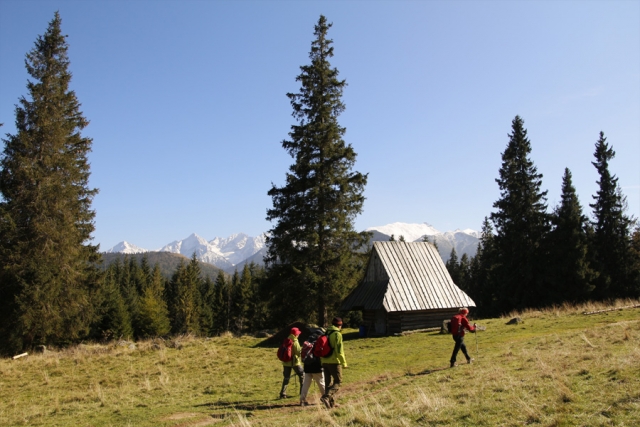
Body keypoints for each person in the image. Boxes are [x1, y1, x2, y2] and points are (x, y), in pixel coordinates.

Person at [320, 317, 347, 409]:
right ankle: (326, 397)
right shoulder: (337, 334)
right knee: (338, 381)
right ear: (340, 325)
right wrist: (344, 363)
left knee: (328, 382)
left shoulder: (326, 332)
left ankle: (331, 404)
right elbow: (339, 351)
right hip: (334, 361)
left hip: (324, 360)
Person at [299, 328, 326, 406]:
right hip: (316, 366)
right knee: (321, 383)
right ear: (319, 335)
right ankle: (326, 398)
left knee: (306, 384)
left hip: (307, 366)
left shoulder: (307, 342)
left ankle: (302, 400)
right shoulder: (317, 342)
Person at [279, 327, 304, 399]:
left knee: (286, 378)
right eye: (298, 333)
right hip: (295, 362)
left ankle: (283, 393)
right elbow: (298, 353)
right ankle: (302, 392)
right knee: (302, 375)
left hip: (286, 362)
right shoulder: (295, 341)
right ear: (296, 334)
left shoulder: (287, 339)